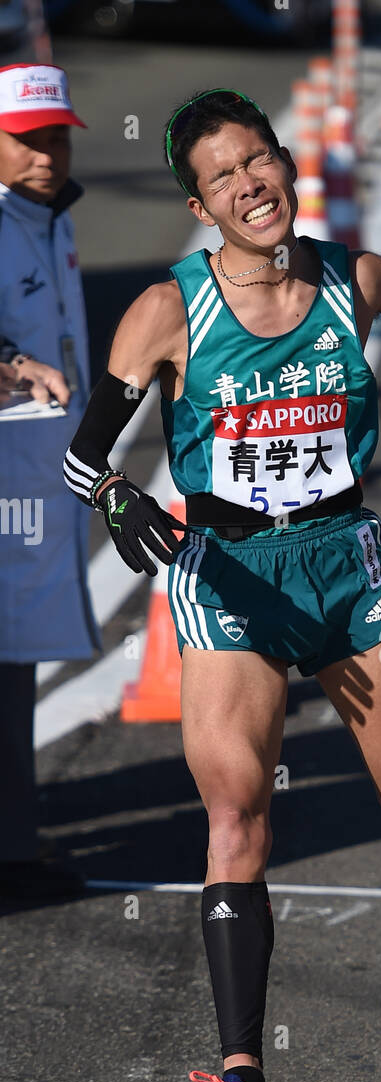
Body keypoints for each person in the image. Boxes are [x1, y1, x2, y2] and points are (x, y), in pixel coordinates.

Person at [62, 88, 381, 1082]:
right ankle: (244, 1080)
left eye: (259, 160)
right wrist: (122, 500)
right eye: (223, 176)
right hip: (227, 575)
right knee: (235, 819)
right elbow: (85, 455)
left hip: (340, 565)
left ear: (286, 166)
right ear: (198, 203)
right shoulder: (168, 310)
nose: (249, 184)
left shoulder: (354, 280)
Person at [0, 62, 97, 900]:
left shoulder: (51, 218)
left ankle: (19, 842)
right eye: (26, 139)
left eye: (55, 136)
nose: (45, 154)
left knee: (17, 662)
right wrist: (10, 363)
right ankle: (14, 854)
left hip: (38, 486)